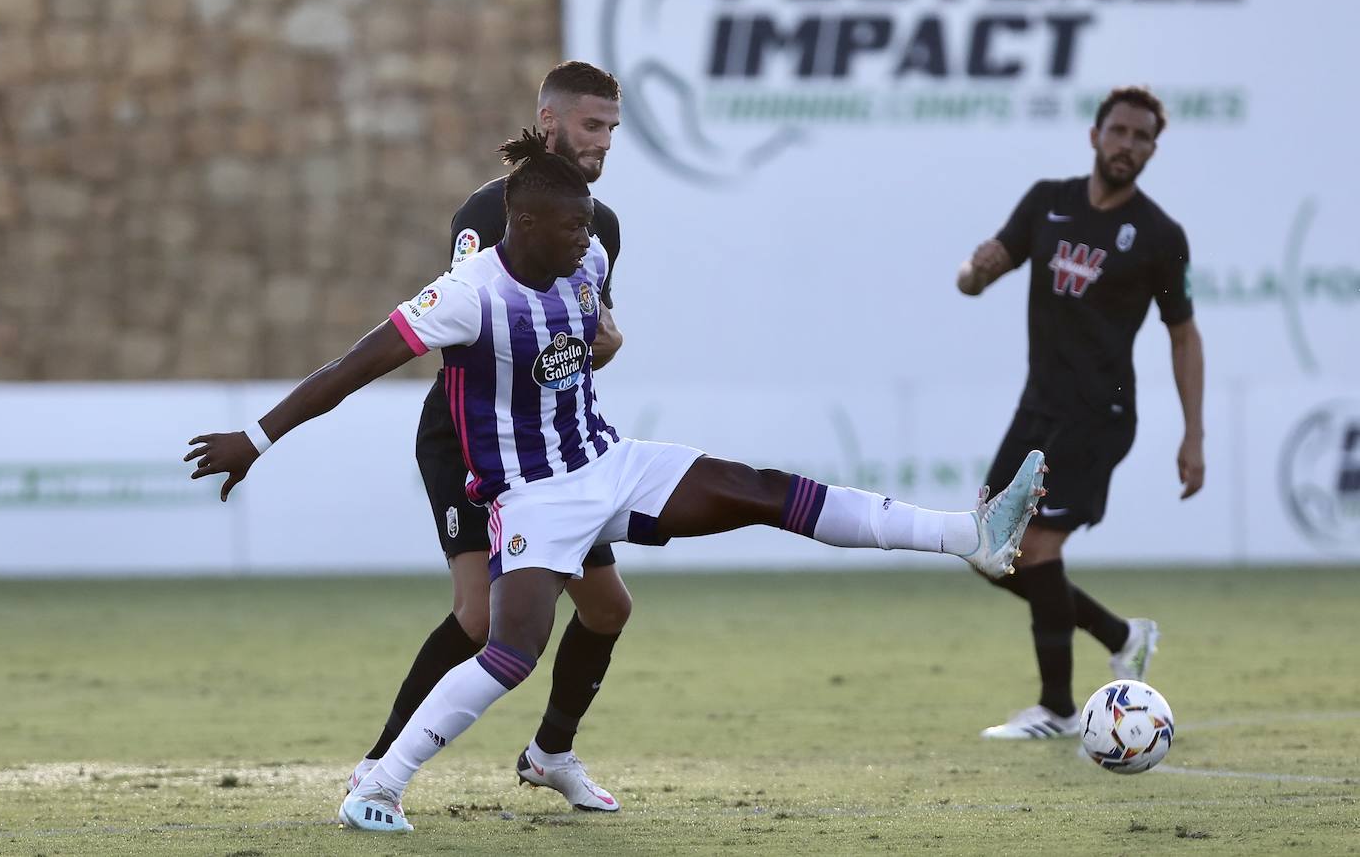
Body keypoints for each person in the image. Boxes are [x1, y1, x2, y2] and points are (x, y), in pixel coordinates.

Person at [186, 133, 1048, 832]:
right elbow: (352, 367)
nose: (586, 242)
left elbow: (592, 334)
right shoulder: (465, 296)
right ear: (521, 224)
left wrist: (596, 340)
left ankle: (965, 535)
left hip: (609, 461)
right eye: (568, 230)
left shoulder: (586, 255)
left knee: (760, 491)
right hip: (532, 496)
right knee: (509, 648)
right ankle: (378, 786)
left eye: (588, 229)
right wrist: (256, 438)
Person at [342, 61, 631, 812]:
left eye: (611, 128)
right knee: (481, 617)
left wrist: (609, 341)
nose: (602, 141)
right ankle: (376, 766)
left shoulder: (602, 225)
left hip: (554, 447)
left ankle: (550, 754)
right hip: (476, 440)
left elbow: (592, 330)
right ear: (550, 120)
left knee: (607, 610)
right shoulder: (488, 210)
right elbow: (469, 326)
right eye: (591, 125)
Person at [955, 86, 1206, 740]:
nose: (1128, 144)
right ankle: (1121, 634)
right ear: (1095, 136)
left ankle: (1059, 709)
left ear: (1153, 148)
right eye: (1118, 131)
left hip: (1100, 415)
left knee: (1035, 549)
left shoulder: (1161, 235)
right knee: (990, 552)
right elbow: (977, 276)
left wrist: (1193, 434)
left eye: (1142, 136)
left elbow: (1184, 334)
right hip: (1036, 409)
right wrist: (973, 273)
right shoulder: (1047, 202)